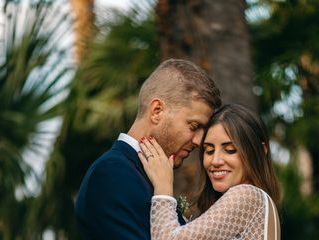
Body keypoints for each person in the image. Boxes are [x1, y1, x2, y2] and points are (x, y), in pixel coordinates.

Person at [75, 58, 221, 239]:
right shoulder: (111, 173)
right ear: (157, 111)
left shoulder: (147, 175)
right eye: (193, 126)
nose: (199, 141)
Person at [139, 103, 281, 240]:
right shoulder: (260, 204)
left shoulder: (247, 196)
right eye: (209, 150)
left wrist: (163, 188)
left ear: (261, 151)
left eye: (230, 150)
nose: (215, 161)